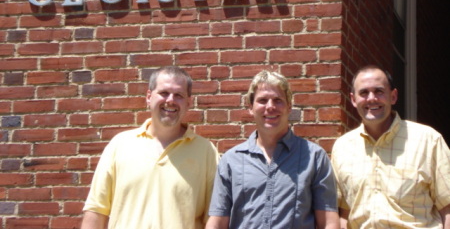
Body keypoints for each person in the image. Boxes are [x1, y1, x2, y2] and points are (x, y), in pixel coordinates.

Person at [81, 66, 219, 229]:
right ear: (148, 97)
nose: (170, 100)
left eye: (179, 95)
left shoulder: (207, 152)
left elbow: (215, 217)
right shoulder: (120, 145)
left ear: (188, 102)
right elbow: (96, 210)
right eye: (164, 93)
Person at [206, 70, 339, 229]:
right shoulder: (231, 160)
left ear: (289, 106)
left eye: (278, 100)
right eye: (262, 100)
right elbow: (217, 222)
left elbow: (329, 223)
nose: (270, 107)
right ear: (250, 107)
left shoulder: (314, 158)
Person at [331, 65, 450, 229]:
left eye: (379, 91)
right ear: (353, 99)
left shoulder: (428, 140)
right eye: (364, 93)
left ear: (393, 96)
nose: (371, 98)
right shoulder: (342, 148)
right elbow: (344, 214)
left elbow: (447, 207)